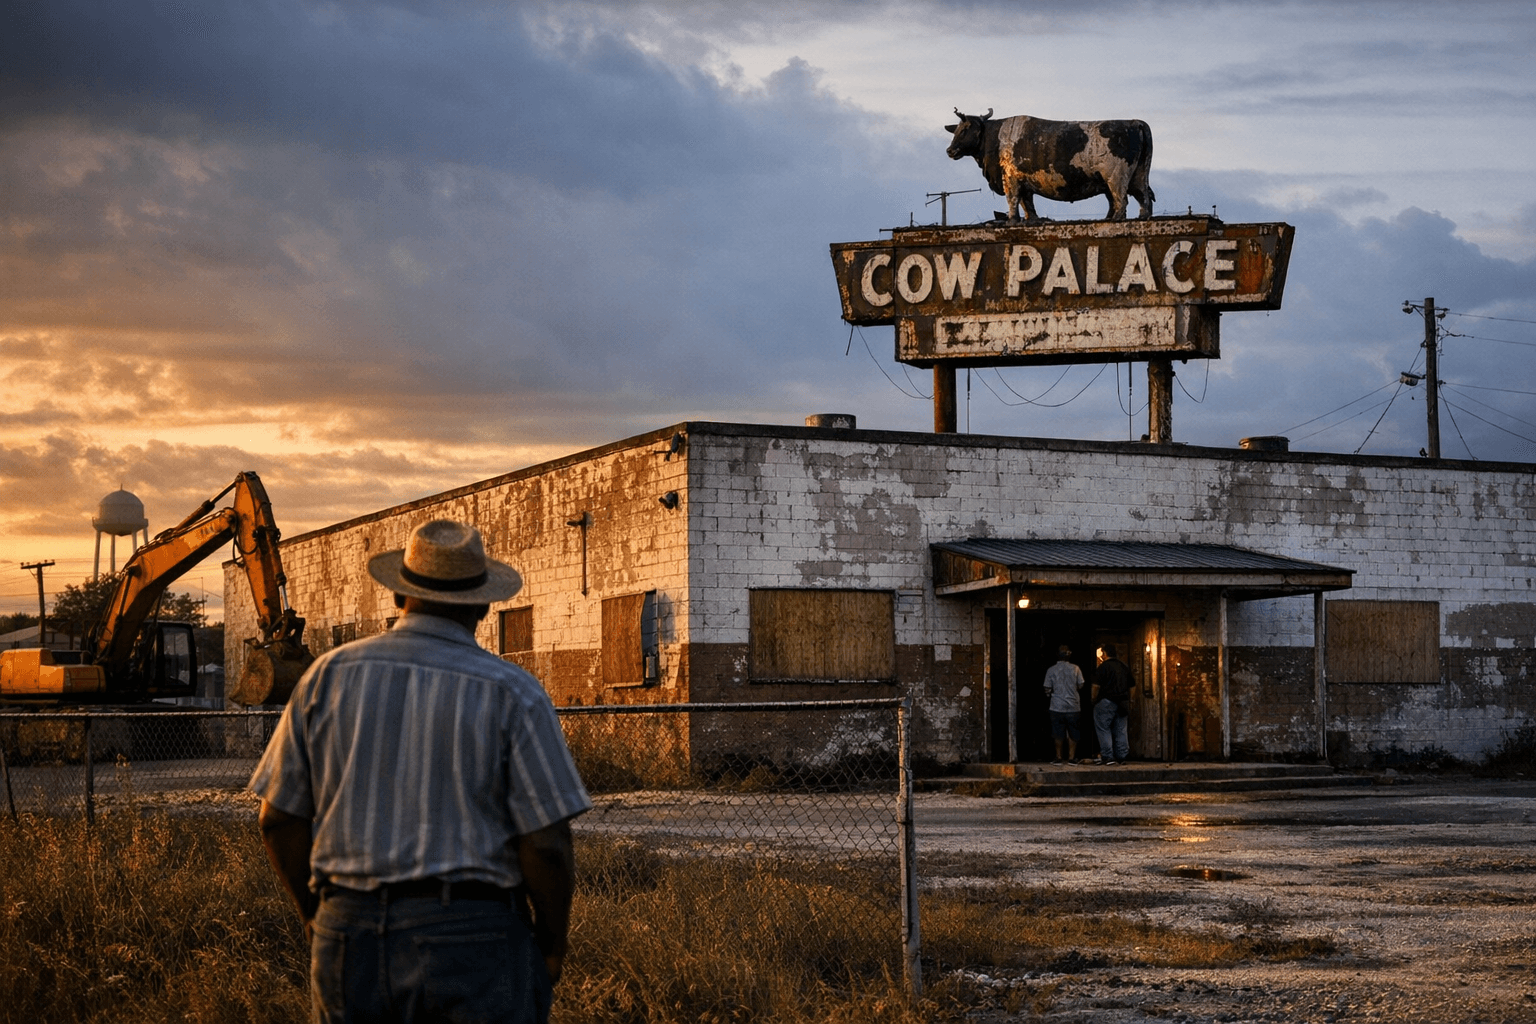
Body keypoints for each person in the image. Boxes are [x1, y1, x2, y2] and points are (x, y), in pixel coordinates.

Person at [250, 519, 592, 1024]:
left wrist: (316, 917)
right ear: (481, 605)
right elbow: (544, 841)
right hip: (475, 935)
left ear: (397, 597)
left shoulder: (326, 678)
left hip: (350, 929)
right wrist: (552, 942)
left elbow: (277, 819)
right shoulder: (513, 692)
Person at [1092, 643, 1135, 765]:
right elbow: (1132, 686)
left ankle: (1107, 756)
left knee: (1103, 728)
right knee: (1121, 729)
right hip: (1122, 702)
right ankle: (1122, 756)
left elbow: (1095, 687)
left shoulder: (1102, 667)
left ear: (1104, 654)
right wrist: (1131, 700)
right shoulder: (1124, 667)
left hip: (1106, 701)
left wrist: (1093, 699)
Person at [1042, 645, 1084, 765]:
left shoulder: (1051, 670)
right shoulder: (1076, 668)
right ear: (1069, 655)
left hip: (1057, 706)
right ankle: (1072, 757)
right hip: (1073, 705)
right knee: (1073, 732)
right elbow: (1081, 684)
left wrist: (1051, 693)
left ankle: (1058, 757)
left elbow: (1047, 687)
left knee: (1057, 732)